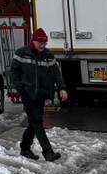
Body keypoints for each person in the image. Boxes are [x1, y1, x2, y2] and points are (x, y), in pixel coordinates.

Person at [12, 27, 67, 161]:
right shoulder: (22, 53)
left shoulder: (49, 56)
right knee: (37, 121)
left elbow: (56, 73)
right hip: (28, 94)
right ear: (33, 41)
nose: (42, 45)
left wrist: (62, 88)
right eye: (39, 43)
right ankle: (48, 152)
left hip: (41, 95)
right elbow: (14, 72)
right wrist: (21, 89)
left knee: (34, 122)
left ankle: (25, 147)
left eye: (44, 43)